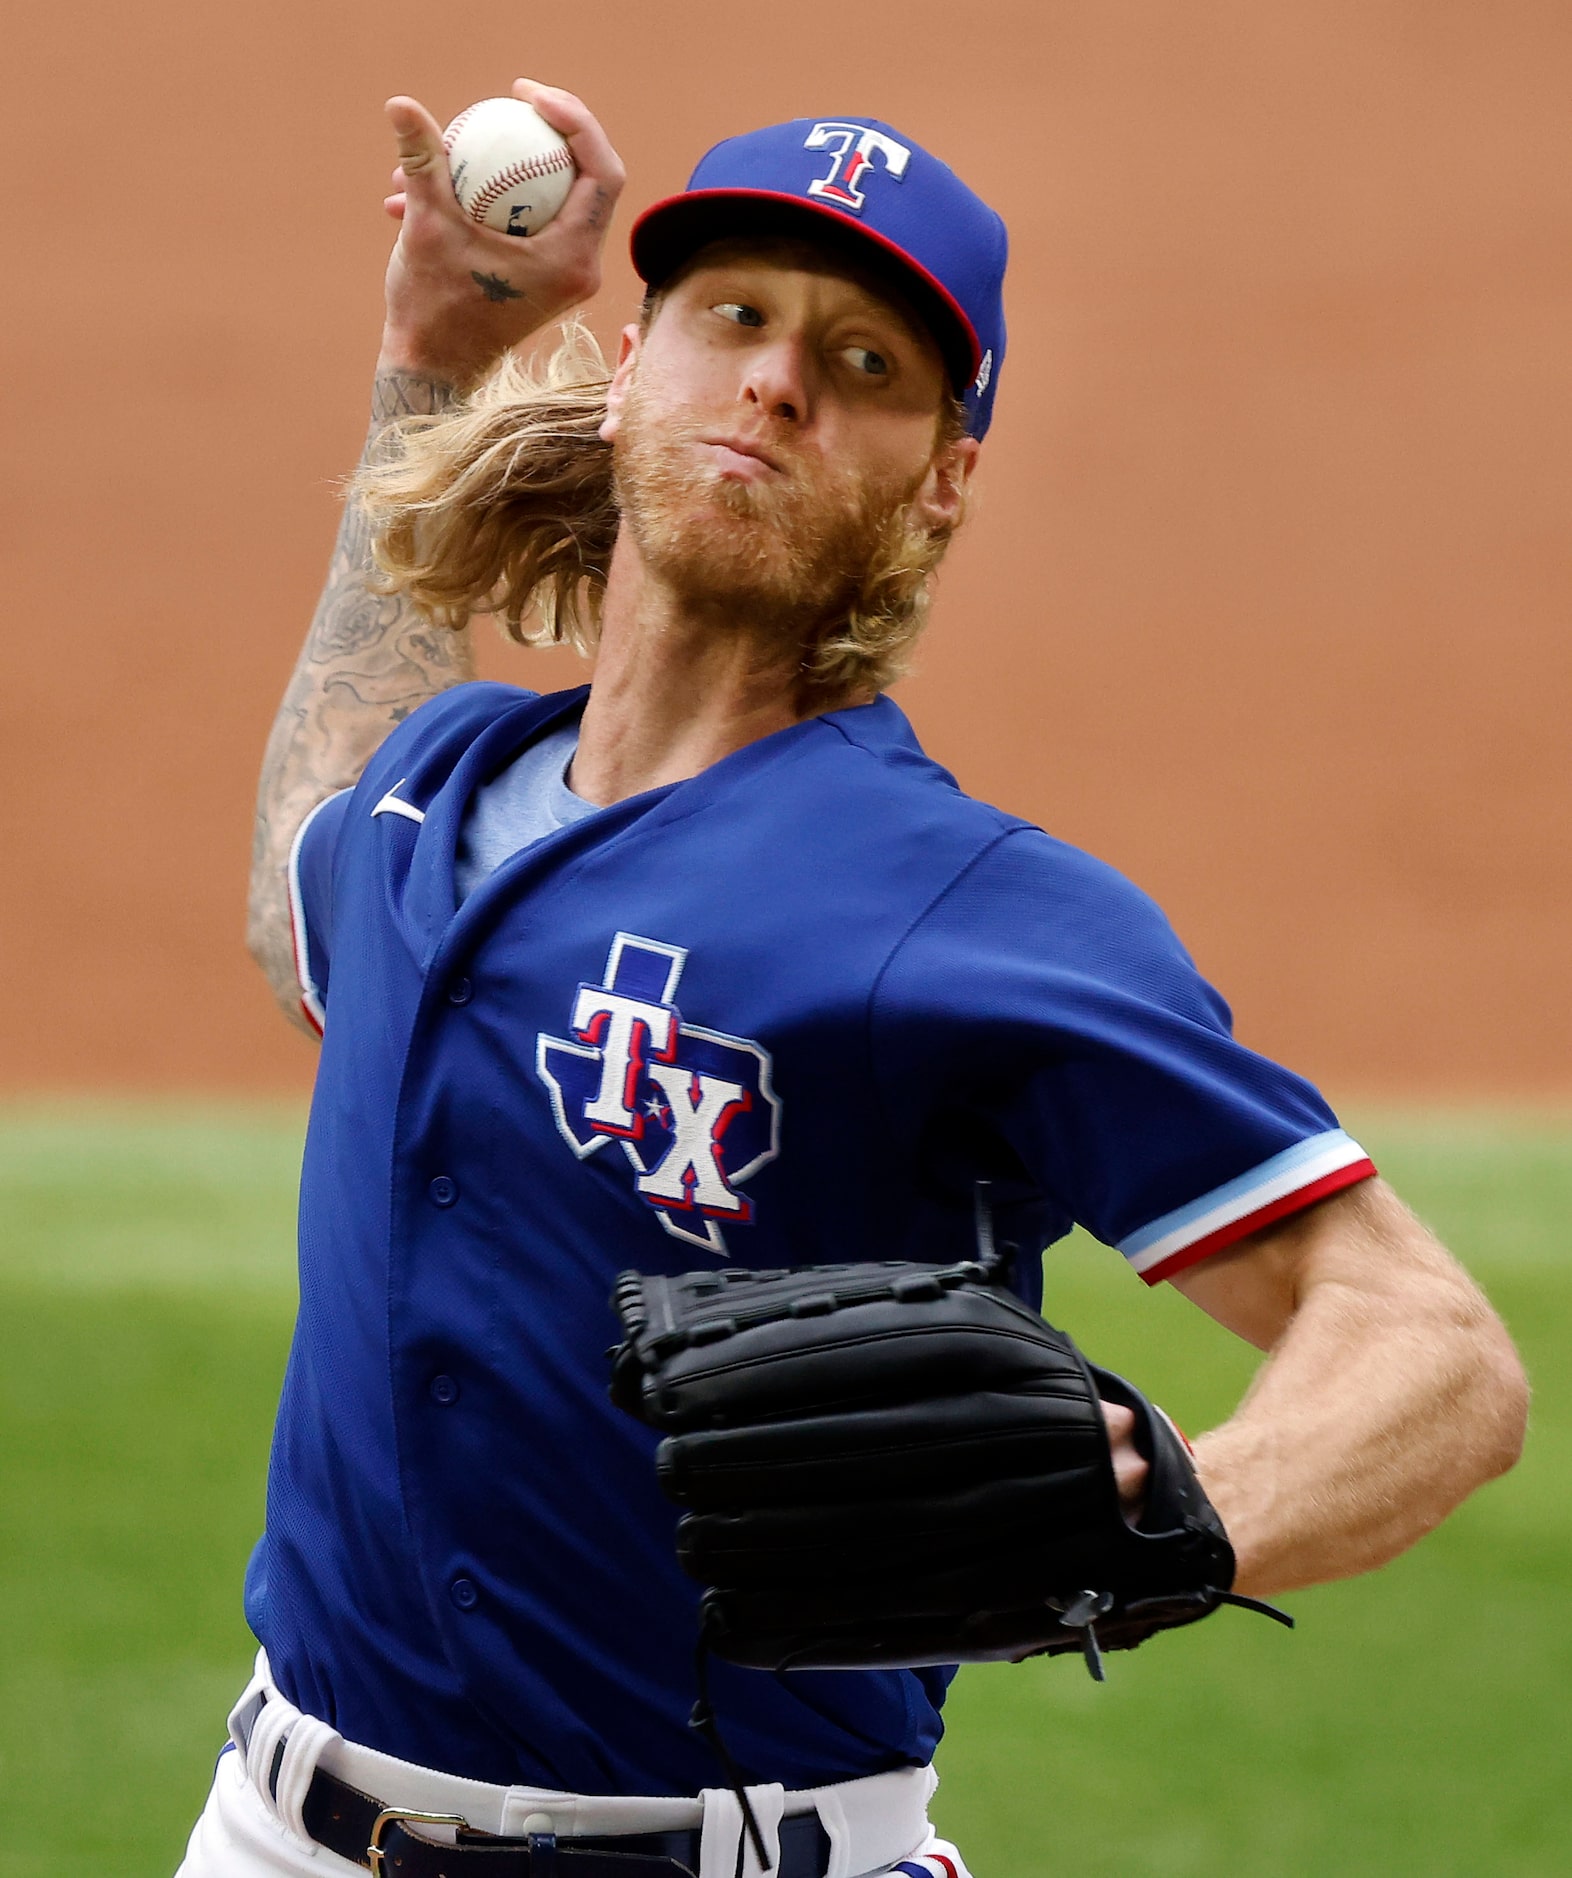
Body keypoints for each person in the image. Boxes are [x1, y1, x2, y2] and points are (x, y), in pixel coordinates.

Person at [179, 78, 1528, 1878]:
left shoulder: (967, 911)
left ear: (944, 483)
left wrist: (1170, 1515)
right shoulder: (440, 790)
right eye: (732, 317)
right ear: (633, 358)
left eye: (869, 364)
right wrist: (431, 357)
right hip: (274, 1831)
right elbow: (303, 899)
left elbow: (1433, 1350)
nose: (780, 381)